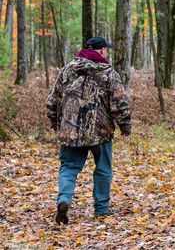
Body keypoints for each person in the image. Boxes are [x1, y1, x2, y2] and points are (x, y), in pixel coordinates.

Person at [46, 36, 131, 225]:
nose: (107, 53)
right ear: (101, 51)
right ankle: (101, 210)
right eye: (106, 50)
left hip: (70, 130)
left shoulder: (68, 70)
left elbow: (52, 100)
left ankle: (64, 199)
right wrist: (125, 126)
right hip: (99, 132)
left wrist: (55, 122)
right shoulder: (108, 73)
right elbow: (119, 103)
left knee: (68, 168)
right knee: (103, 169)